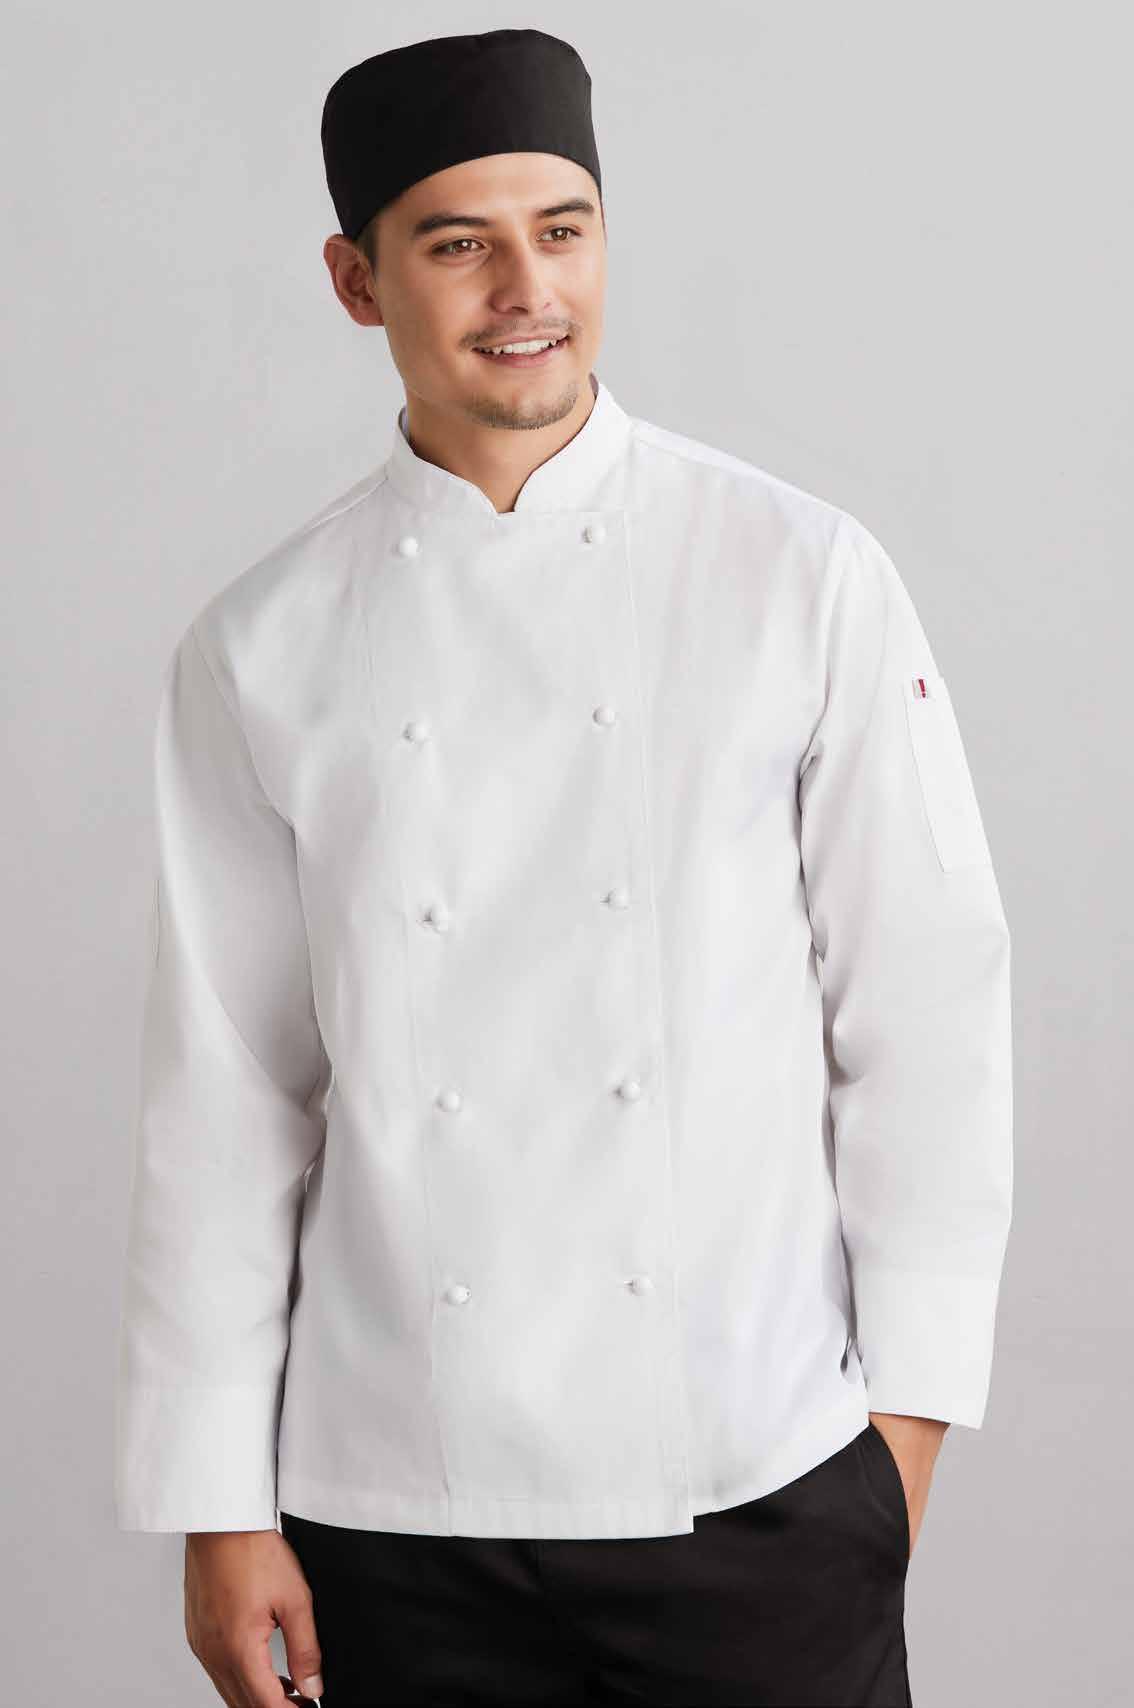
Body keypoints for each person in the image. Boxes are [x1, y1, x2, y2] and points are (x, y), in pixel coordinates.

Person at [114, 27, 1013, 1708]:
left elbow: (926, 1012)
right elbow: (227, 1099)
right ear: (356, 282)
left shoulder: (796, 575)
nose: (525, 288)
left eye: (563, 230)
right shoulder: (260, 646)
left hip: (754, 1472)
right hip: (396, 1511)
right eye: (458, 243)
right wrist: (215, 1504)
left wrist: (899, 1435)